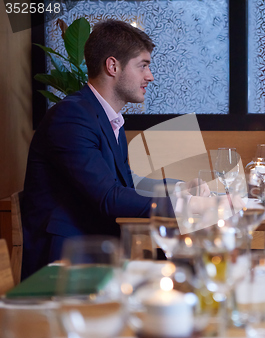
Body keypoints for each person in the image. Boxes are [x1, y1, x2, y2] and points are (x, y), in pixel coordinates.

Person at [21, 20, 206, 279]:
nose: (150, 76)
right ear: (112, 66)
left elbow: (126, 186)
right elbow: (110, 198)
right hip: (67, 263)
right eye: (143, 65)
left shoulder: (108, 120)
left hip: (101, 251)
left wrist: (180, 188)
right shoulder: (72, 117)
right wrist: (188, 205)